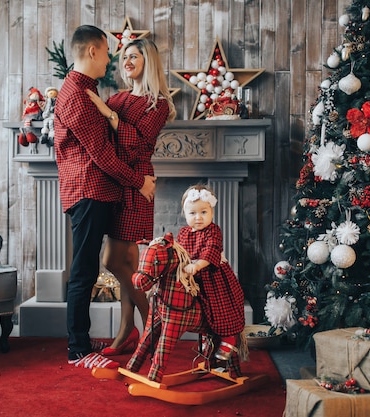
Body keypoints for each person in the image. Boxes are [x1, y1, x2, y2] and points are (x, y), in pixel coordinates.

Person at [54, 25, 156, 369]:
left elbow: (120, 140)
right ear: (94, 51)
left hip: (100, 191)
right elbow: (102, 154)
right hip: (89, 190)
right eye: (110, 52)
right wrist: (138, 182)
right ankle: (77, 348)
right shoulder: (78, 95)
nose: (113, 60)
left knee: (104, 263)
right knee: (84, 270)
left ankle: (114, 333)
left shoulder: (89, 91)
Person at [86, 38, 176, 356]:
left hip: (137, 186)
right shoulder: (118, 97)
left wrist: (104, 110)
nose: (126, 61)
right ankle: (127, 332)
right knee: (125, 262)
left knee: (112, 260)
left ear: (147, 61)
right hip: (115, 182)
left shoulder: (158, 103)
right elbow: (101, 137)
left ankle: (153, 322)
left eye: (133, 56)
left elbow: (134, 145)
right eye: (124, 56)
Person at [176, 184, 246, 361]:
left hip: (213, 276)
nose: (198, 218)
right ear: (185, 214)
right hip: (192, 279)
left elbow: (211, 250)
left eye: (204, 212)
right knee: (199, 310)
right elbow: (177, 250)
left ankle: (229, 337)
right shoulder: (183, 232)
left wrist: (197, 265)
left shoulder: (213, 231)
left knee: (220, 307)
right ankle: (210, 336)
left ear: (212, 213)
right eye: (192, 213)